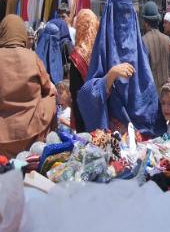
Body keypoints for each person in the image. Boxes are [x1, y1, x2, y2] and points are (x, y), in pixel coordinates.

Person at [77, 0, 166, 138]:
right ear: (110, 14)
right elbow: (86, 95)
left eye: (127, 14)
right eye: (119, 14)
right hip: (113, 138)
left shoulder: (140, 48)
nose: (124, 21)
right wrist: (110, 76)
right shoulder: (102, 49)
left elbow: (148, 95)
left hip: (143, 136)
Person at [0, 15, 56, 158]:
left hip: (2, 137)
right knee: (52, 97)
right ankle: (45, 147)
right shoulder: (32, 57)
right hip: (31, 133)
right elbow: (48, 87)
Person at [69, 9, 99, 133]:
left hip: (83, 113)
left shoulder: (77, 56)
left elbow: (75, 91)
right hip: (100, 110)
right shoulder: (100, 52)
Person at [142, 1, 170, 92]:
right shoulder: (167, 39)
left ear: (146, 23)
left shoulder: (143, 41)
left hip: (151, 92)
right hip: (165, 91)